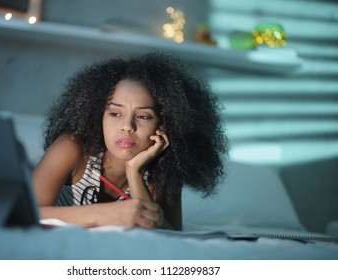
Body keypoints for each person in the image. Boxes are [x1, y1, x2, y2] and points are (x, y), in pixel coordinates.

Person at [32, 53, 227, 230]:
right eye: (115, 113)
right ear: (98, 115)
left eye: (143, 116)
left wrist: (134, 171)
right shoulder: (72, 148)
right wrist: (105, 215)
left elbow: (170, 236)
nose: (127, 126)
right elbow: (22, 213)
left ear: (165, 125)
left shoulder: (164, 170)